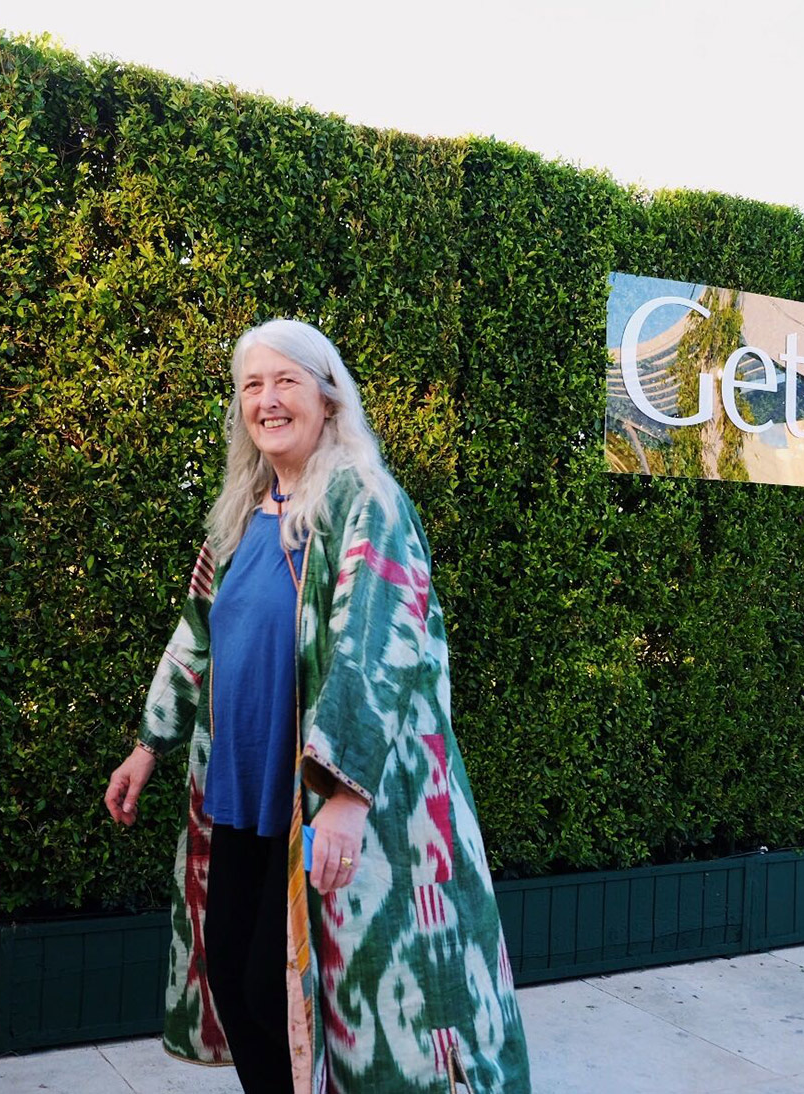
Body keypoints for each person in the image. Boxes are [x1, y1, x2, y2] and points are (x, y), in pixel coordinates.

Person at [104, 319, 531, 1094]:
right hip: (240, 795)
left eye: (285, 382)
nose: (267, 401)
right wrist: (147, 745)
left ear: (328, 397)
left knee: (286, 991)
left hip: (319, 798)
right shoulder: (240, 514)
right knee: (236, 979)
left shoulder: (364, 499)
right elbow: (196, 633)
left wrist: (346, 792)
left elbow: (380, 643)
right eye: (251, 386)